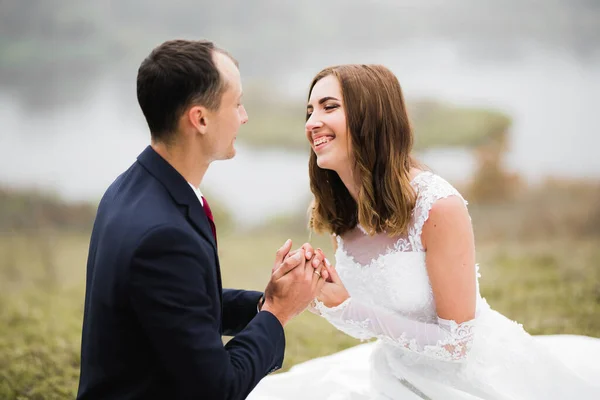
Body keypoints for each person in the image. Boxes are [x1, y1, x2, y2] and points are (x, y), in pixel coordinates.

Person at [248, 64, 600, 399]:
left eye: (329, 107)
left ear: (370, 117)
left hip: (469, 384)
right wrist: (325, 296)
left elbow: (456, 342)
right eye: (309, 111)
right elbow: (373, 324)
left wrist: (350, 308)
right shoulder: (345, 210)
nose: (313, 122)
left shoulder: (437, 205)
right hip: (393, 376)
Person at [76, 39, 329, 400]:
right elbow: (219, 389)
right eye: (237, 103)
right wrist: (278, 313)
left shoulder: (132, 187)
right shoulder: (162, 236)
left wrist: (264, 303)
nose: (245, 116)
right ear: (200, 118)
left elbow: (178, 305)